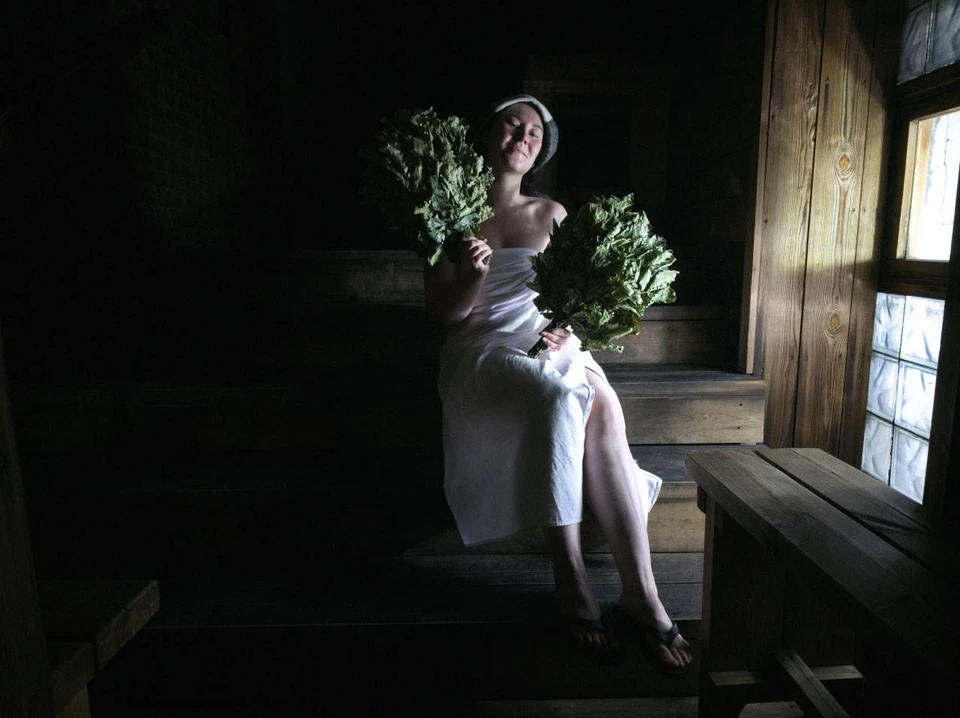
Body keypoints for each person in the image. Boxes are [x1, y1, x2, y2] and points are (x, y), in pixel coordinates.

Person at [423, 93, 693, 676]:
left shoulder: (551, 213)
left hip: (552, 343)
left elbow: (576, 296)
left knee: (604, 404)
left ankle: (642, 593)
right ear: (488, 133)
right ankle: (569, 575)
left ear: (542, 151)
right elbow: (447, 314)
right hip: (483, 349)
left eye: (535, 133)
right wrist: (473, 273)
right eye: (511, 125)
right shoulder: (447, 213)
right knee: (554, 398)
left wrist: (569, 330)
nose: (523, 137)